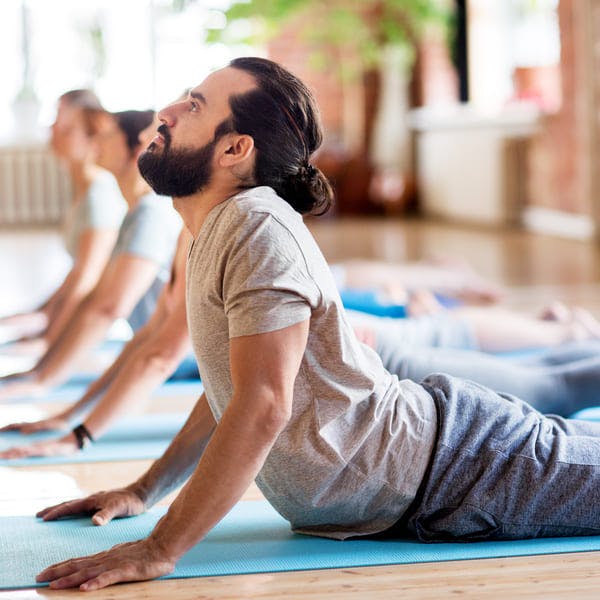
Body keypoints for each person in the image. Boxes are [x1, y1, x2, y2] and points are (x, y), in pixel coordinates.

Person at [32, 58, 600, 592]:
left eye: (194, 106)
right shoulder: (214, 228)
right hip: (431, 482)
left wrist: (160, 547)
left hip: (468, 466)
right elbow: (228, 390)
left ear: (234, 148)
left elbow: (261, 403)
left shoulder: (255, 228)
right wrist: (143, 490)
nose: (167, 112)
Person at [0, 110, 181, 401]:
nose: (98, 142)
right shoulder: (134, 210)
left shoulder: (151, 214)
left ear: (135, 150)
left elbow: (108, 308)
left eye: (109, 137)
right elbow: (95, 297)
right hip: (144, 349)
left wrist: (43, 380)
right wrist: (41, 367)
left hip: (172, 363)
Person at [0, 89, 126, 351]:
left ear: (93, 138)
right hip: (78, 313)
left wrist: (49, 339)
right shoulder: (82, 188)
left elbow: (86, 281)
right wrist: (40, 314)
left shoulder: (99, 193)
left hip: (94, 326)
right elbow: (76, 275)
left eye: (66, 128)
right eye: (54, 123)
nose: (53, 132)